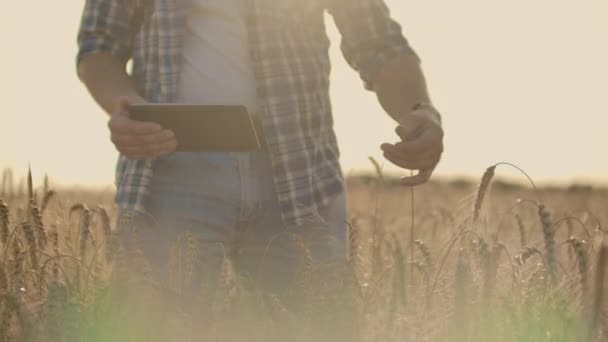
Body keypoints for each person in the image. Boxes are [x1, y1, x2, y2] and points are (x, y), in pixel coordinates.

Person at [76, 0, 443, 308]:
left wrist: (419, 109)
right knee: (154, 325)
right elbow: (99, 43)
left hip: (298, 177)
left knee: (316, 325)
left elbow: (376, 38)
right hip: (170, 172)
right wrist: (123, 104)